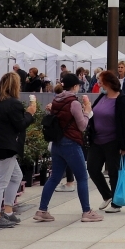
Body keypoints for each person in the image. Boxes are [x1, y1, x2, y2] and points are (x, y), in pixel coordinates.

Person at [34, 72, 101, 222]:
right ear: (75, 86)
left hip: (57, 142)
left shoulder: (56, 99)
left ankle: (42, 210)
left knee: (54, 177)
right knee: (82, 177)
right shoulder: (74, 103)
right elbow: (82, 126)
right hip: (71, 142)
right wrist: (88, 112)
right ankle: (86, 211)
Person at [0, 71, 36, 230]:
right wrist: (30, 113)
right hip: (5, 147)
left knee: (16, 176)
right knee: (0, 182)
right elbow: (20, 125)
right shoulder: (14, 103)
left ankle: (7, 211)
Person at [85, 70, 125, 212]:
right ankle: (107, 195)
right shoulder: (102, 96)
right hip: (97, 139)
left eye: (100, 80)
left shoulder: (121, 100)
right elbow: (94, 113)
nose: (98, 83)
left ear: (107, 82)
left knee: (114, 171)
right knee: (93, 168)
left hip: (113, 141)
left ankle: (116, 203)